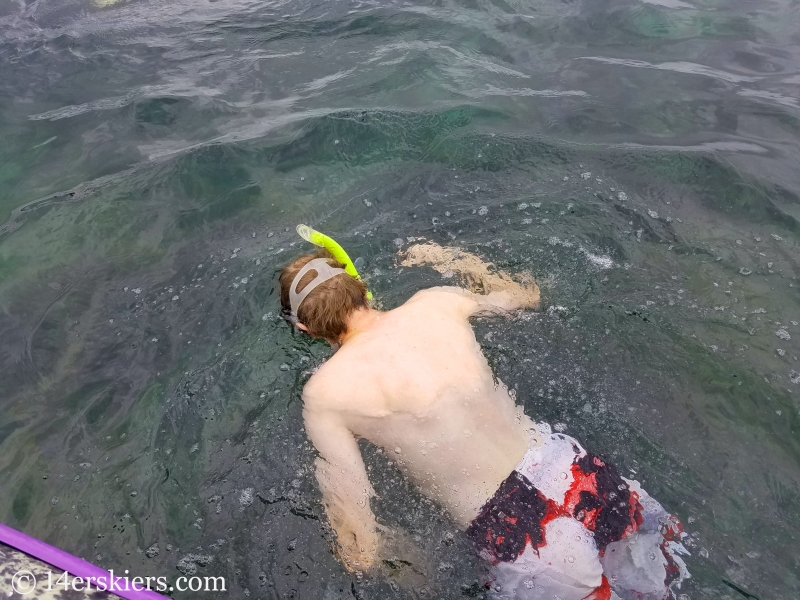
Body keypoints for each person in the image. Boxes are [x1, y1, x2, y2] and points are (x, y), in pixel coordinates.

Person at [278, 241, 690, 600]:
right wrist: (446, 257)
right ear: (361, 286)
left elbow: (359, 541)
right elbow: (526, 295)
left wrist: (389, 567)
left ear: (303, 327)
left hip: (522, 533)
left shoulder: (325, 393)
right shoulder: (436, 302)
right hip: (575, 473)